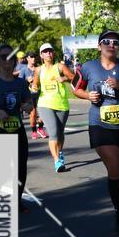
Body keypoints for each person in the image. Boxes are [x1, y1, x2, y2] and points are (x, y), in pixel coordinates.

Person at [73, 29, 119, 232]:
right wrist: (88, 96)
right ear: (99, 46)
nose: (111, 45)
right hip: (100, 125)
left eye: (115, 42)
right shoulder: (87, 67)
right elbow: (75, 87)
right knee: (114, 166)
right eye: (106, 41)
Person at [0, 44, 33, 211]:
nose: (7, 60)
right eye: (3, 57)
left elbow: (29, 102)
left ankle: (16, 202)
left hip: (17, 129)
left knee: (21, 167)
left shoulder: (21, 83)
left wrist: (28, 107)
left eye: (11, 57)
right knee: (2, 169)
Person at [31, 43, 74, 173]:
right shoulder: (38, 70)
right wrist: (32, 87)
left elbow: (74, 78)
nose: (48, 53)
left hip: (61, 104)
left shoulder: (60, 67)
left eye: (50, 51)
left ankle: (59, 153)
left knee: (60, 134)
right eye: (45, 52)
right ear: (41, 55)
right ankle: (57, 160)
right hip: (45, 104)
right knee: (53, 132)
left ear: (53, 53)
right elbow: (35, 86)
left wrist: (64, 78)